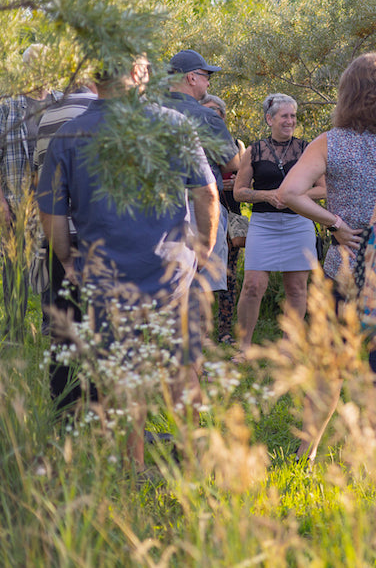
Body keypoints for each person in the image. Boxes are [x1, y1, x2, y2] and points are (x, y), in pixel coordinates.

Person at [35, 55, 218, 469]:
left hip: (105, 274)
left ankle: (133, 467)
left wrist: (68, 259)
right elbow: (207, 194)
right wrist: (203, 249)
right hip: (171, 270)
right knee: (182, 365)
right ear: (140, 74)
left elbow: (52, 215)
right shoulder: (173, 125)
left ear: (95, 79)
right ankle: (190, 460)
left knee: (123, 374)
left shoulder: (69, 135)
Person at [278, 52, 376, 464]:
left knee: (329, 365)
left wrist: (334, 222)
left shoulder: (329, 142)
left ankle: (304, 454)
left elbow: (290, 192)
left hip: (343, 266)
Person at [233, 93, 323, 362]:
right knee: (252, 285)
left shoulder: (308, 149)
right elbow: (239, 192)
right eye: (285, 115)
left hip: (299, 223)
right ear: (269, 119)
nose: (290, 120)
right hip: (263, 224)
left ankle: (288, 349)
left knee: (296, 288)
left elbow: (322, 189)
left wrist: (295, 198)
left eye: (293, 116)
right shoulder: (254, 150)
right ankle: (243, 347)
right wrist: (267, 195)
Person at [164, 50, 240, 355]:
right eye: (205, 75)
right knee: (199, 284)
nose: (208, 81)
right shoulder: (206, 116)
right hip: (197, 205)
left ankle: (165, 355)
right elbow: (233, 163)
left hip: (154, 207)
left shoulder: (148, 110)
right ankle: (195, 360)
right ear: (191, 77)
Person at [33, 80, 98, 411]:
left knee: (63, 325)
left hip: (58, 234)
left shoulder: (48, 116)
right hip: (94, 233)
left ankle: (64, 406)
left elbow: (42, 180)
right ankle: (98, 404)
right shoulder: (98, 111)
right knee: (98, 323)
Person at [1, 44, 60, 343]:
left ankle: (52, 331)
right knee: (16, 269)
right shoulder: (7, 106)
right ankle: (13, 334)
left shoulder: (64, 102)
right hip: (16, 202)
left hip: (57, 204)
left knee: (53, 265)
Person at [200, 94, 246, 344]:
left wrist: (235, 184)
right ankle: (202, 331)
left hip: (231, 215)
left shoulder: (236, 145)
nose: (210, 117)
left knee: (228, 277)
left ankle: (225, 331)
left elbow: (246, 177)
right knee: (205, 276)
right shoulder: (198, 143)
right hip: (206, 214)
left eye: (215, 112)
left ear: (223, 115)